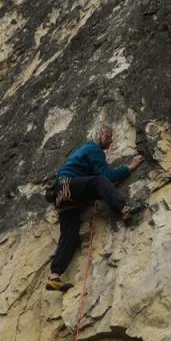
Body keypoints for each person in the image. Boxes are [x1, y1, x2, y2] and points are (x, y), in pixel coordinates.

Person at [46, 125, 145, 292]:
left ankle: (54, 276)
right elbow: (106, 176)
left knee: (70, 234)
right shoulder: (93, 149)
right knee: (99, 181)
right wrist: (129, 167)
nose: (111, 140)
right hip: (68, 186)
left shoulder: (85, 150)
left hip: (60, 194)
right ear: (99, 135)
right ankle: (123, 208)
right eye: (108, 135)